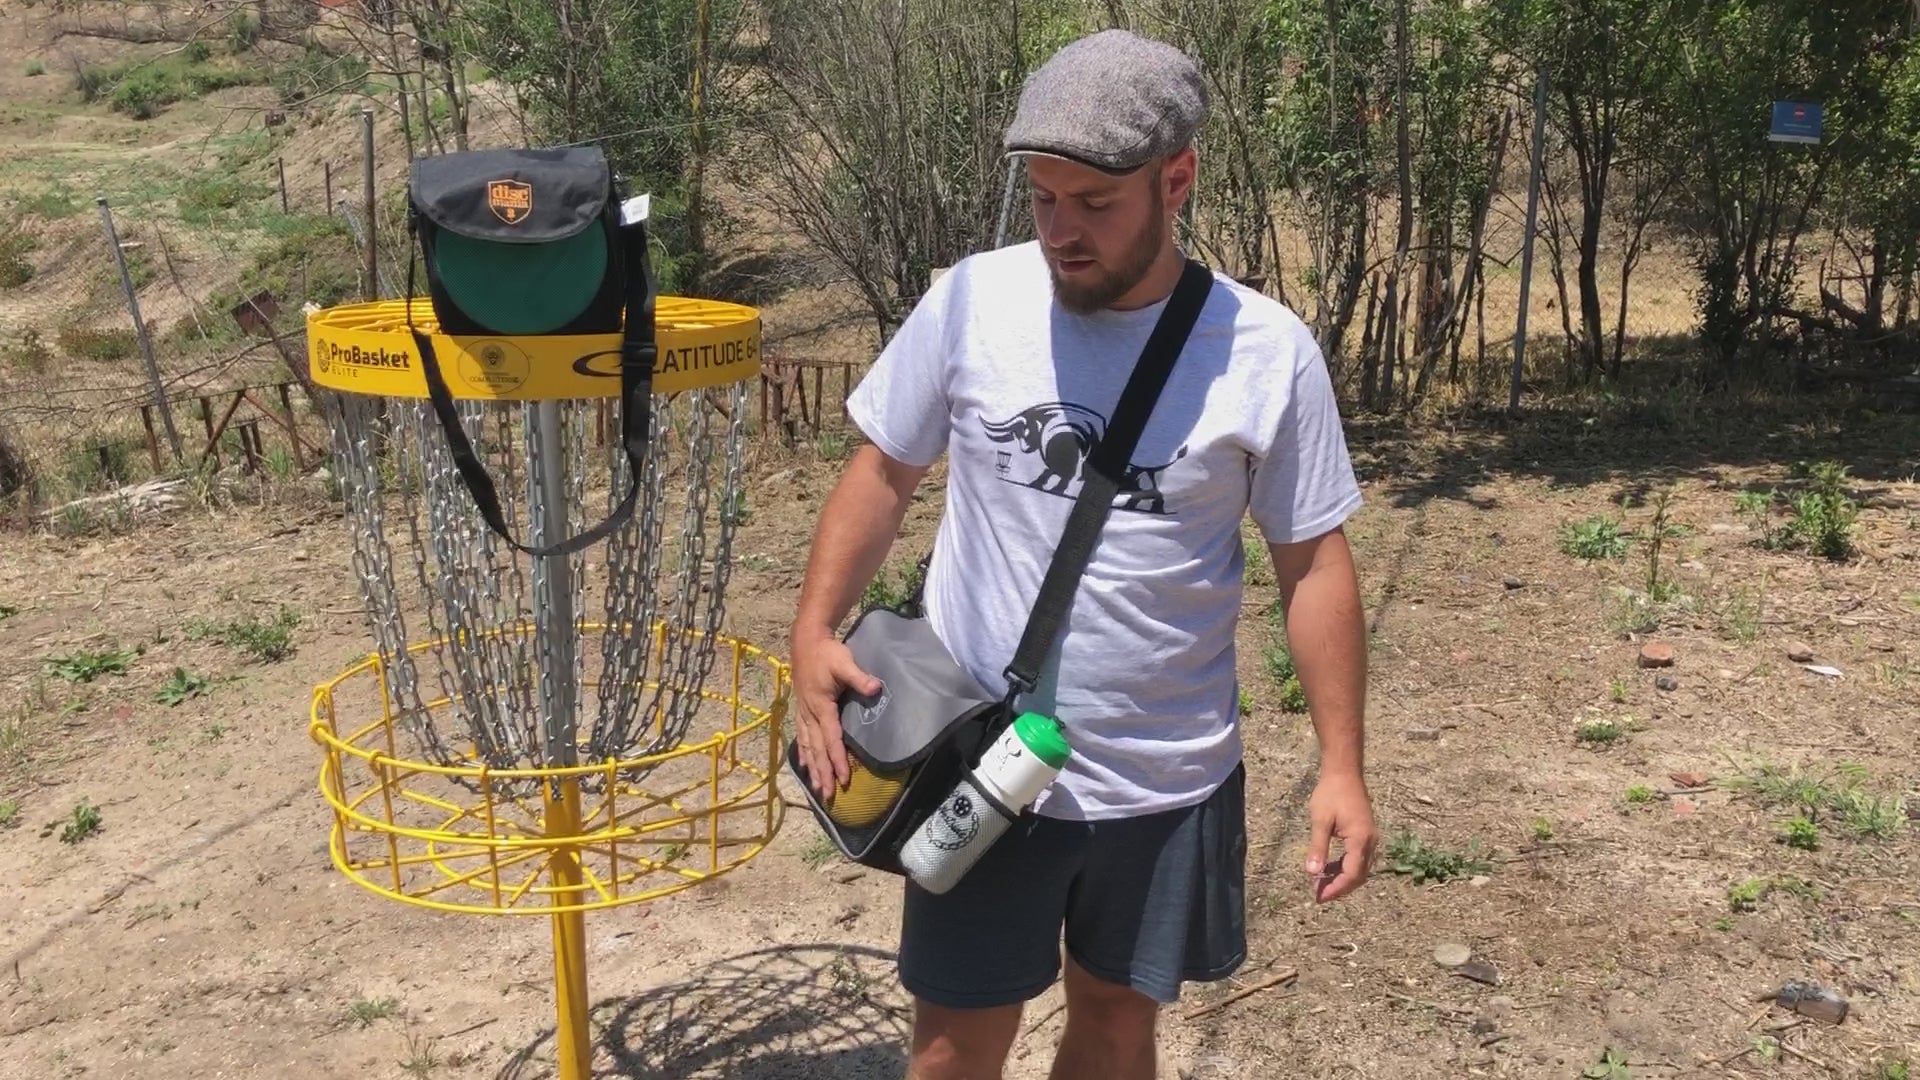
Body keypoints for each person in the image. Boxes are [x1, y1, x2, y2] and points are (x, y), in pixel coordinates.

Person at [787, 27, 1377, 1080]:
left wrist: (1342, 766)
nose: (1063, 230)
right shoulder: (972, 300)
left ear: (1177, 179)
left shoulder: (1265, 351)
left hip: (1168, 774)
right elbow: (882, 472)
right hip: (981, 763)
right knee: (953, 1043)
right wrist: (809, 629)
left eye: (1095, 205)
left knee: (1114, 1024)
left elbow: (1313, 562)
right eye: (1045, 199)